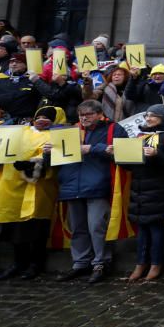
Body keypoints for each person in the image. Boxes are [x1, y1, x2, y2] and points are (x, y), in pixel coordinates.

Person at [49, 100, 128, 284]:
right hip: (71, 185)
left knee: (96, 227)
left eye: (88, 114)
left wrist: (93, 148)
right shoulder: (70, 131)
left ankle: (101, 263)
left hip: (97, 185)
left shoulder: (113, 128)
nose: (84, 118)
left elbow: (124, 151)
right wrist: (48, 152)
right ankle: (80, 263)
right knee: (78, 229)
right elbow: (56, 159)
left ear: (100, 114)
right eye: (81, 115)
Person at [0, 106, 62, 280]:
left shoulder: (56, 135)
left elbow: (55, 158)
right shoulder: (20, 131)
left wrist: (32, 165)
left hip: (37, 188)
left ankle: (35, 264)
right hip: (12, 186)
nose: (42, 120)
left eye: (47, 118)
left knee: (36, 230)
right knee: (14, 229)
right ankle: (18, 263)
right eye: (39, 116)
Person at [122, 103, 164, 282]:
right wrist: (119, 157)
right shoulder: (139, 136)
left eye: (152, 115)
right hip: (139, 188)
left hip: (159, 188)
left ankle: (155, 263)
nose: (148, 118)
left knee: (155, 227)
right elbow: (129, 165)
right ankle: (140, 263)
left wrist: (157, 154)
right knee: (142, 228)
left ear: (162, 118)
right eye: (147, 115)